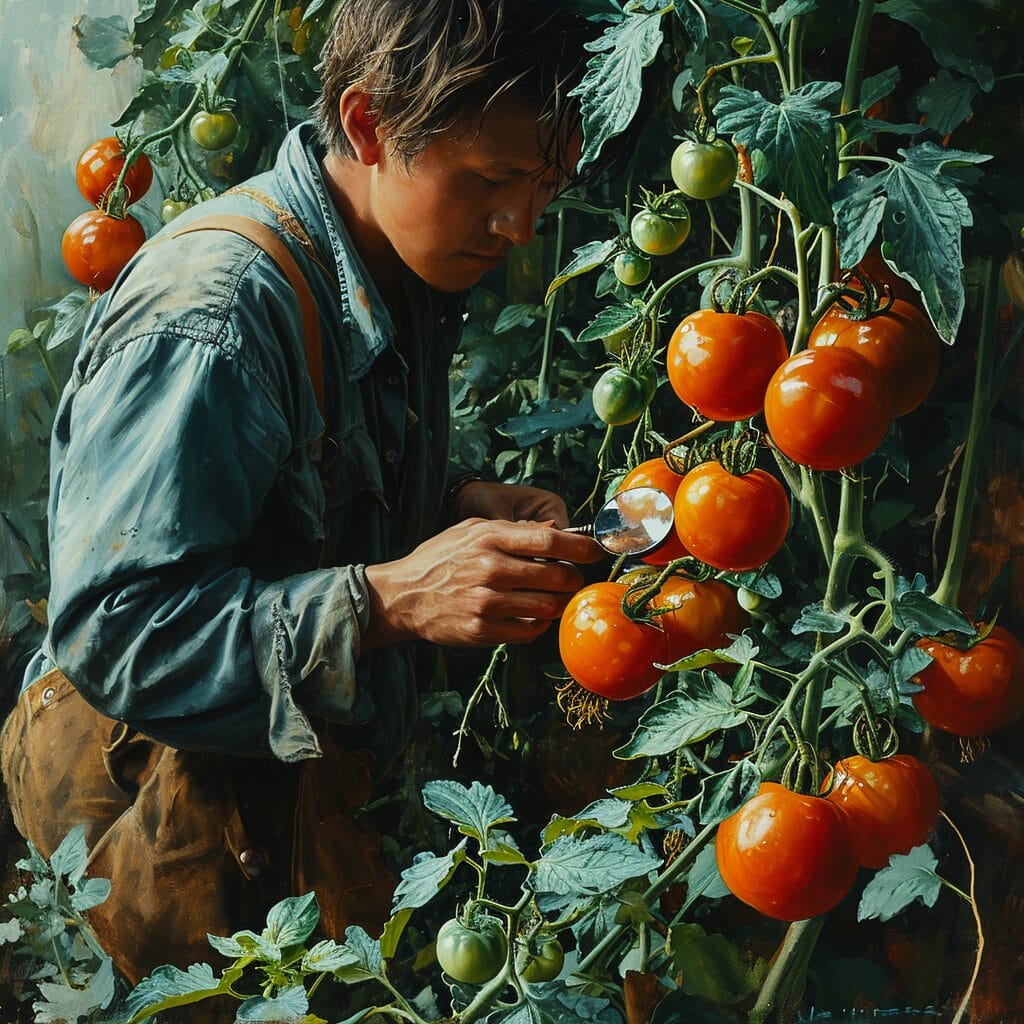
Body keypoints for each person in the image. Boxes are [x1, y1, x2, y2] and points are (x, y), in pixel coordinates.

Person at [0, 0, 602, 994]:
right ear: (367, 127)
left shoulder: (386, 257)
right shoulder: (214, 316)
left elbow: (284, 482)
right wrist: (393, 598)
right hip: (186, 836)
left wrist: (453, 503)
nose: (520, 225)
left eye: (542, 185)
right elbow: (116, 631)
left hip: (292, 819)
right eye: (491, 180)